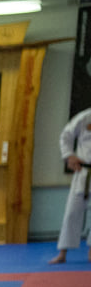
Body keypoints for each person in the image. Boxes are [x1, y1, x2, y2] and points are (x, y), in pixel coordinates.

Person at [50, 107, 91, 264]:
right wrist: (69, 156)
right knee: (71, 212)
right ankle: (62, 253)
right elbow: (66, 135)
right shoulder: (85, 117)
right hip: (82, 171)